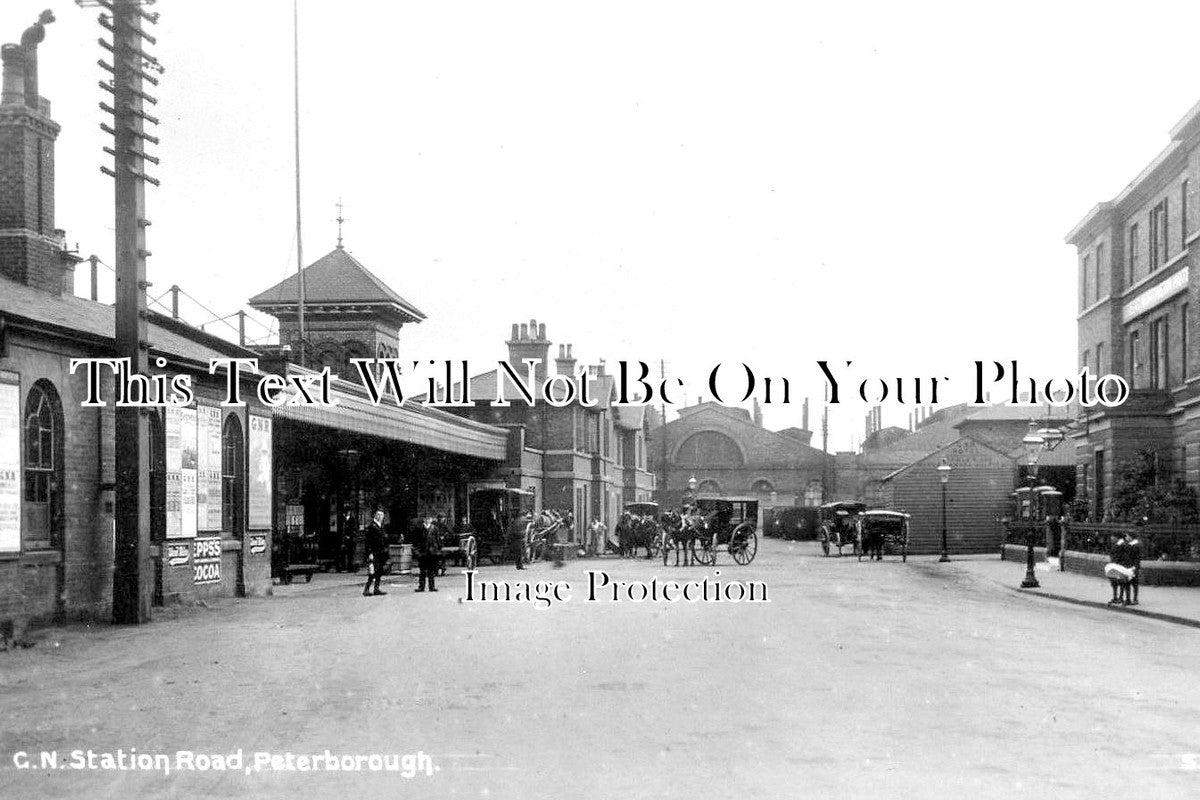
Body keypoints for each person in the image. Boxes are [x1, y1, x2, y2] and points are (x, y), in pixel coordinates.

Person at [362, 509, 389, 596]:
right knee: (372, 571)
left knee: (379, 571)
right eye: (378, 515)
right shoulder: (372, 527)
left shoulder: (381, 526)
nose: (380, 517)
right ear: (375, 516)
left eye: (381, 515)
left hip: (381, 552)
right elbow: (368, 541)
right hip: (374, 552)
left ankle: (376, 589)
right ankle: (366, 589)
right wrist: (370, 553)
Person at [413, 516, 442, 592]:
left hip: (432, 552)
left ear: (431, 520)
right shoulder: (419, 528)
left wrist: (438, 550)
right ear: (424, 519)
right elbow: (415, 541)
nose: (427, 520)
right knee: (422, 571)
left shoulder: (435, 528)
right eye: (426, 519)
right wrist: (417, 551)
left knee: (431, 571)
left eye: (429, 519)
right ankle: (421, 587)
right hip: (422, 552)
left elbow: (438, 540)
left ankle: (432, 587)